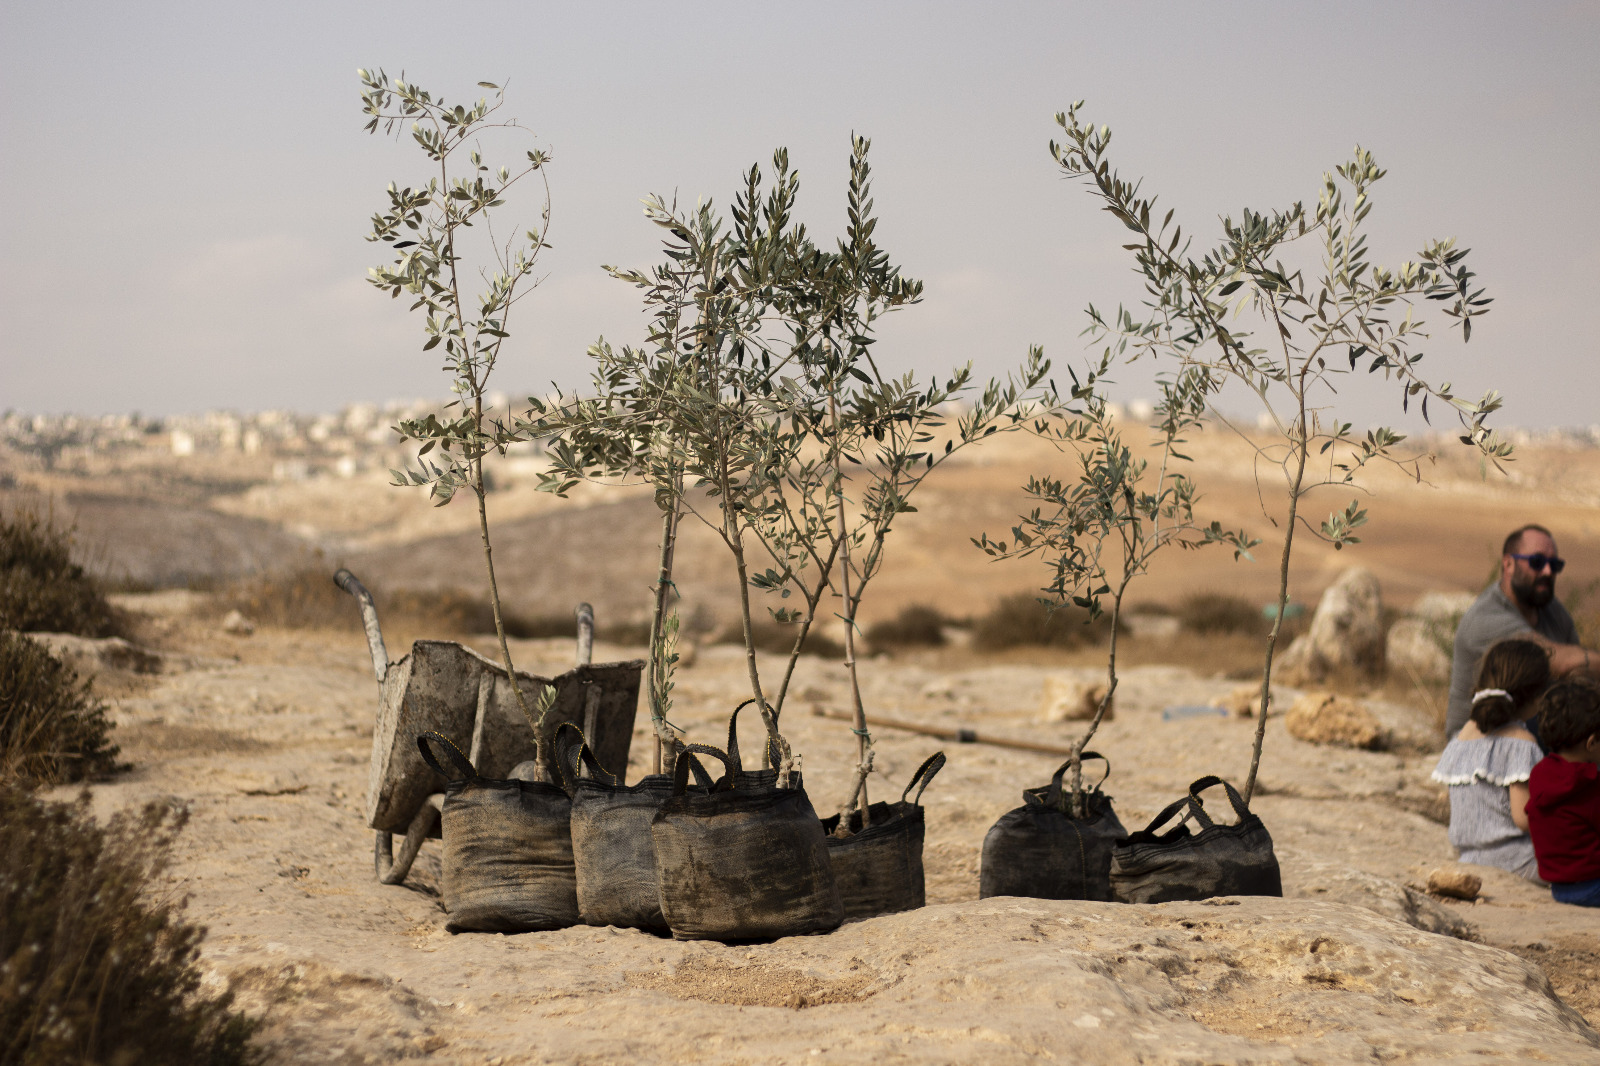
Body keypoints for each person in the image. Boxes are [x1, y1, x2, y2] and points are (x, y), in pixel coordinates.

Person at [1445, 525, 1593, 739]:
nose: (1548, 572)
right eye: (1537, 562)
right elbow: (1565, 664)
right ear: (1508, 564)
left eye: (1555, 564)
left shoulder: (1552, 611)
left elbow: (1582, 678)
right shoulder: (1486, 618)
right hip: (1479, 743)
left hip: (1537, 731)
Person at [1431, 639, 1549, 881]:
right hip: (1518, 863)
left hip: (1469, 859)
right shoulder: (1522, 743)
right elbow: (1523, 818)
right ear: (1536, 696)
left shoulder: (1460, 739)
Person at [1527, 677, 1600, 906]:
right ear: (1591, 743)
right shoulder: (1588, 785)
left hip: (1560, 889)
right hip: (1592, 887)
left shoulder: (1540, 773)